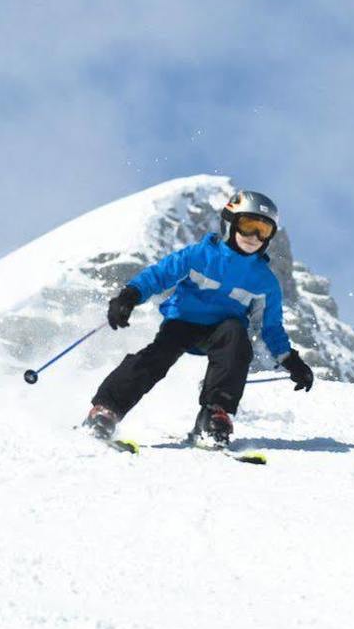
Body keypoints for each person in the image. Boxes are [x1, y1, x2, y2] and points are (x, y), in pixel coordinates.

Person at [84, 189, 315, 449]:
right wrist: (129, 296)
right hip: (182, 321)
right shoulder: (199, 256)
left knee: (236, 337)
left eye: (263, 230)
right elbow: (159, 275)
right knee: (158, 356)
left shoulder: (265, 282)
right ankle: (105, 410)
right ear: (230, 223)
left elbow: (271, 327)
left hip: (222, 331)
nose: (254, 237)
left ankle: (215, 414)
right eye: (248, 226)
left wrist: (290, 360)